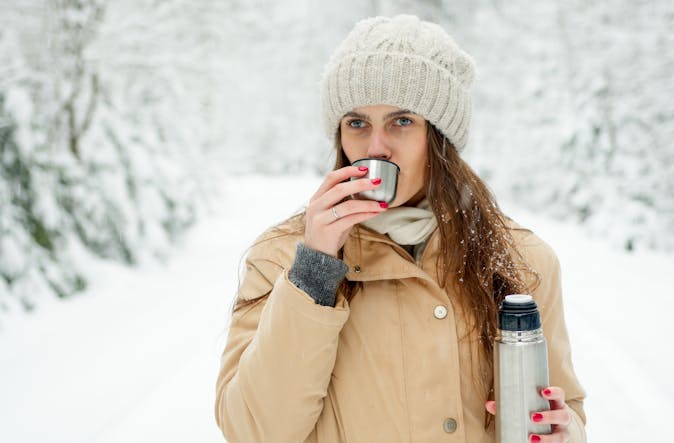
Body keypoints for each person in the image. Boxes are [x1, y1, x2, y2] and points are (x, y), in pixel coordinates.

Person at [215, 14, 586, 443]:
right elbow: (253, 431)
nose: (375, 148)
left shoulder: (522, 259)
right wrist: (314, 272)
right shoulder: (281, 256)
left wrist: (562, 432)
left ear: (440, 139)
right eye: (357, 124)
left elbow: (566, 409)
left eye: (401, 121)